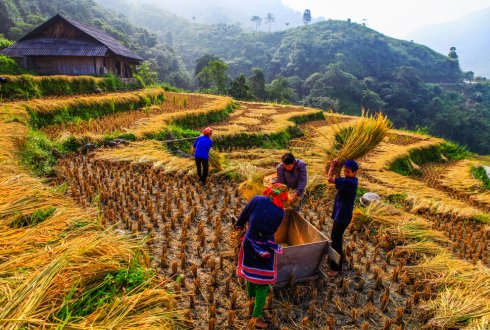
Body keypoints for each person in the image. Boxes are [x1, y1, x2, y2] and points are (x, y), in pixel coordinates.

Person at [235, 183, 289, 329]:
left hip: (249, 242)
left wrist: (238, 227)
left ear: (270, 191)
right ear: (282, 196)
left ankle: (251, 300)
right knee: (263, 283)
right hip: (264, 246)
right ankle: (256, 316)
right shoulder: (280, 212)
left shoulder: (257, 199)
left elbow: (243, 216)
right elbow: (273, 229)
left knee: (250, 273)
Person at [326, 159, 359, 277]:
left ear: (355, 172)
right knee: (336, 238)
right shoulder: (350, 180)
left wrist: (332, 165)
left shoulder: (350, 183)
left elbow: (330, 179)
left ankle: (336, 268)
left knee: (335, 239)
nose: (345, 173)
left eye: (348, 171)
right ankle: (339, 258)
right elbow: (339, 179)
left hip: (343, 216)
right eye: (344, 171)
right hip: (341, 214)